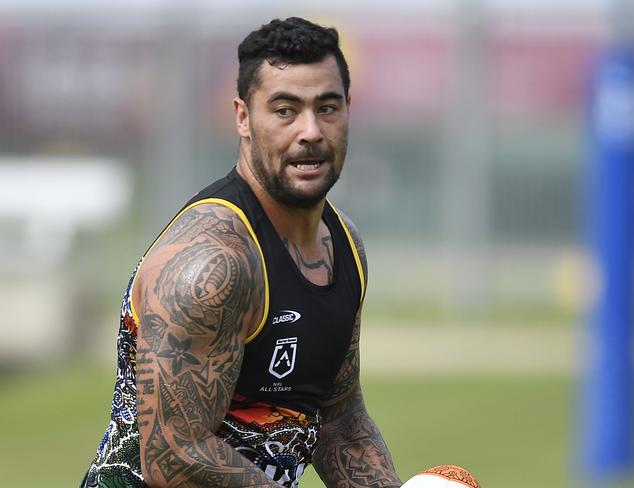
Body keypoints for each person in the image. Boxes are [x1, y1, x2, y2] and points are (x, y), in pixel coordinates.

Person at [82, 17, 402, 488]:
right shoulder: (211, 261)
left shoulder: (345, 248)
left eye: (327, 108)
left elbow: (339, 425)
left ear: (348, 111)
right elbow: (177, 456)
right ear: (243, 117)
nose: (310, 131)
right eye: (285, 110)